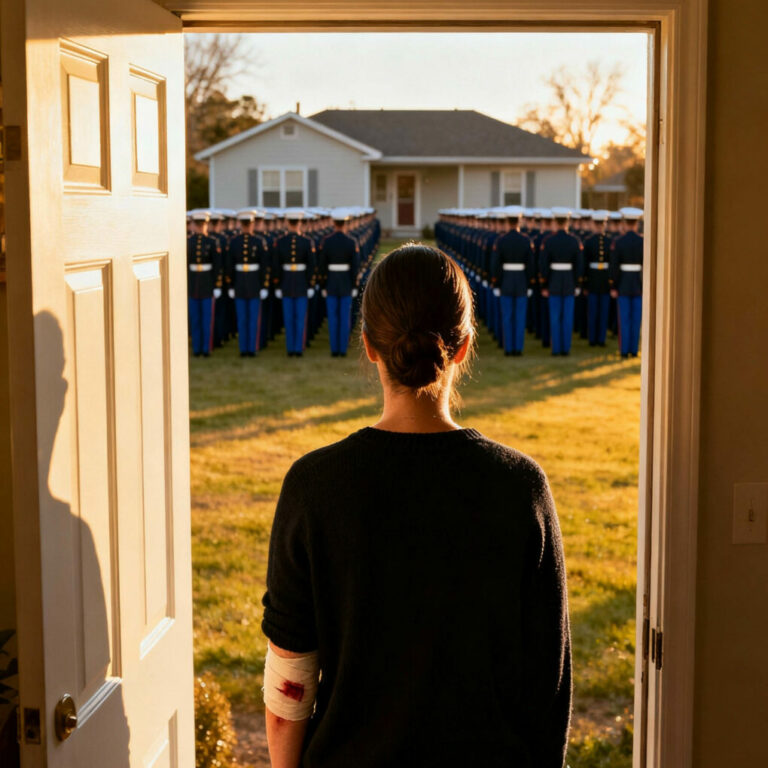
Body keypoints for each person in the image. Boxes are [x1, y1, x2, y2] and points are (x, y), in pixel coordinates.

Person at [261, 243, 572, 768]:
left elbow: (289, 686)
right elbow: (548, 686)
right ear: (464, 346)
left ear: (368, 345)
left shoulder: (313, 485)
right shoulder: (520, 487)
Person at [490, 206, 536, 356]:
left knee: (507, 317)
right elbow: (531, 265)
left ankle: (509, 348)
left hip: (506, 280)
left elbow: (496, 265)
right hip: (521, 280)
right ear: (519, 222)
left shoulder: (501, 240)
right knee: (520, 317)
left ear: (507, 222)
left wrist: (497, 283)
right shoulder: (526, 240)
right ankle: (518, 349)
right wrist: (530, 283)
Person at [539, 208, 584, 356]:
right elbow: (579, 265)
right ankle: (566, 349)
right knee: (567, 318)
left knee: (555, 318)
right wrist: (577, 284)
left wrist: (544, 285)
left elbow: (543, 266)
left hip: (554, 281)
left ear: (555, 222)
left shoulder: (548, 241)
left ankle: (556, 349)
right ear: (567, 222)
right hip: (569, 281)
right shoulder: (575, 241)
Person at [227, 210, 271, 357]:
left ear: (253, 224)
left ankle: (252, 348)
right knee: (242, 319)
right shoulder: (234, 242)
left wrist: (264, 286)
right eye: (244, 224)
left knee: (253, 319)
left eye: (248, 224)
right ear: (241, 225)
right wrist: (231, 285)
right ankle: (243, 349)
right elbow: (230, 265)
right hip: (239, 283)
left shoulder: (259, 241)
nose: (246, 227)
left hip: (254, 283)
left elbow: (264, 266)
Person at [318, 208, 361, 357]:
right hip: (346, 283)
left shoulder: (327, 241)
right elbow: (355, 267)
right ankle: (342, 349)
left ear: (334, 223)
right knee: (344, 318)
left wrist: (323, 285)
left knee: (333, 318)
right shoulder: (351, 241)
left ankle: (334, 349)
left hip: (331, 282)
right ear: (345, 223)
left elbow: (322, 266)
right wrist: (354, 285)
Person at [275, 211, 317, 357]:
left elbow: (311, 265)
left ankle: (296, 348)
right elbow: (277, 265)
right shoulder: (304, 241)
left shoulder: (301, 241)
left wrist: (310, 285)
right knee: (294, 319)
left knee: (296, 318)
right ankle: (293, 348)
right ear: (299, 223)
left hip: (296, 283)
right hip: (294, 283)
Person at [187, 210, 222, 357]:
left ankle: (206, 348)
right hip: (193, 283)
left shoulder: (212, 242)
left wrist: (217, 285)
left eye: (203, 225)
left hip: (207, 284)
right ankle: (197, 348)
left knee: (207, 319)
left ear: (207, 225)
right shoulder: (188, 242)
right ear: (193, 225)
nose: (200, 227)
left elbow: (217, 266)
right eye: (197, 225)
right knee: (195, 319)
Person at [609, 207, 644, 358]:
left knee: (624, 319)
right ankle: (634, 350)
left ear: (624, 223)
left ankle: (624, 351)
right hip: (638, 283)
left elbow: (614, 267)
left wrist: (613, 285)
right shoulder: (643, 241)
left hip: (623, 283)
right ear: (636, 223)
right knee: (636, 319)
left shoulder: (618, 242)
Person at [583, 210, 613, 347]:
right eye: (598, 224)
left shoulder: (609, 241)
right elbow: (584, 264)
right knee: (593, 311)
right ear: (594, 225)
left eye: (602, 224)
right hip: (592, 279)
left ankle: (601, 339)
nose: (600, 226)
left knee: (604, 311)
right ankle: (592, 339)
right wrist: (584, 284)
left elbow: (612, 264)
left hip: (605, 280)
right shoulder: (588, 242)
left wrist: (612, 282)